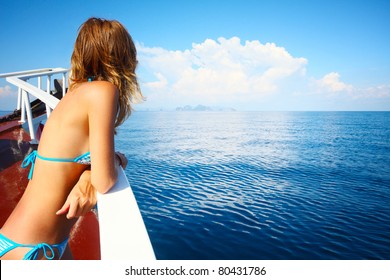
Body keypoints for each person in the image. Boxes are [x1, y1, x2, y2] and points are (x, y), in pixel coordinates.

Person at [0, 17, 143, 260]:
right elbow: (105, 180)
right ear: (122, 55)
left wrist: (90, 172)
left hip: (30, 240)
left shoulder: (75, 94)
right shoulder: (104, 91)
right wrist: (106, 165)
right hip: (33, 251)